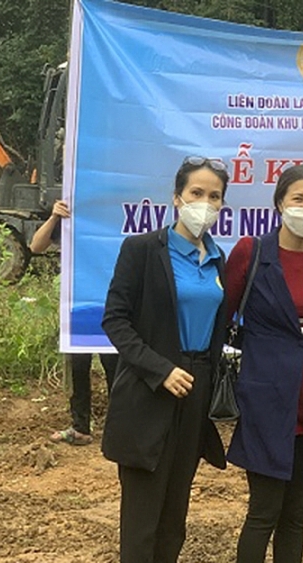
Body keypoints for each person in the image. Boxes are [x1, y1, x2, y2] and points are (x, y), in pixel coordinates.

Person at [101, 156, 229, 563]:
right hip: (149, 392)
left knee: (174, 518)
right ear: (177, 197)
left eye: (214, 196)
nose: (204, 203)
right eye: (196, 193)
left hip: (196, 391)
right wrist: (160, 370)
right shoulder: (142, 250)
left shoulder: (217, 260)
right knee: (142, 520)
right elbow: (115, 320)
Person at [224, 165, 303, 563]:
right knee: (263, 512)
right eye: (298, 199)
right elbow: (223, 316)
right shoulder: (252, 252)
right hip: (265, 400)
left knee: (296, 515)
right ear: (279, 203)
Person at [31, 199, 118, 446]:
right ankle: (80, 428)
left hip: (115, 304)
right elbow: (36, 246)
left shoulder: (117, 215)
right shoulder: (74, 212)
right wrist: (54, 217)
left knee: (117, 368)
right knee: (78, 366)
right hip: (80, 306)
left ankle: (119, 429)